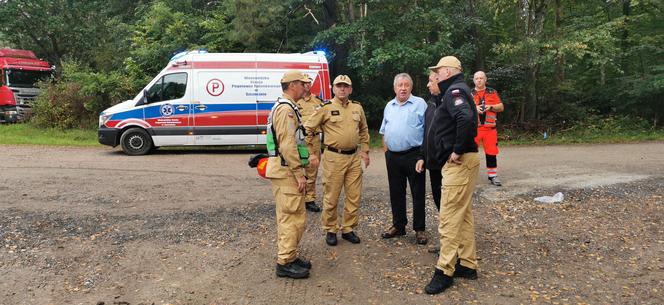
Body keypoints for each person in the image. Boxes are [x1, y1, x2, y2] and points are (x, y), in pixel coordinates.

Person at [423, 56, 480, 294]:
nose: (435, 76)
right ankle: (467, 264)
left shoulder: (454, 90)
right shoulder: (455, 90)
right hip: (464, 163)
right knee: (463, 215)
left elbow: (466, 118)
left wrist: (456, 150)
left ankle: (444, 270)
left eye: (438, 71)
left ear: (447, 71)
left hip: (460, 164)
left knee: (448, 217)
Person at [304, 75, 370, 247]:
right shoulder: (325, 108)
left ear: (350, 89)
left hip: (354, 158)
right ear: (333, 88)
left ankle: (348, 228)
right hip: (334, 157)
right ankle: (330, 229)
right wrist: (311, 152)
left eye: (345, 86)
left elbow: (363, 129)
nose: (342, 89)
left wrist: (365, 150)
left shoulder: (357, 108)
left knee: (354, 196)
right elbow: (308, 129)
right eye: (339, 86)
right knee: (331, 196)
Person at [265, 70, 312, 279]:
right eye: (302, 84)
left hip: (286, 170)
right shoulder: (286, 110)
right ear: (292, 85)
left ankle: (291, 255)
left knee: (295, 216)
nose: (305, 87)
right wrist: (299, 173)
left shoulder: (287, 107)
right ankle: (284, 262)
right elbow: (287, 145)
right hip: (287, 172)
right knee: (290, 217)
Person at [379, 73, 428, 245]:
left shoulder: (420, 104)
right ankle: (398, 226)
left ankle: (419, 229)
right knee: (396, 192)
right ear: (394, 88)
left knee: (418, 193)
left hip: (414, 155)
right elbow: (383, 131)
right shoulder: (389, 106)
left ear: (411, 87)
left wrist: (423, 155)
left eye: (406, 85)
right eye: (400, 85)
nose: (403, 88)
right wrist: (387, 153)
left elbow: (428, 132)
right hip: (393, 156)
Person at [295, 78, 325, 212]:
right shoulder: (295, 101)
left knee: (312, 169)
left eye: (309, 82)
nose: (306, 85)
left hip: (314, 139)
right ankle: (297, 197)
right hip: (299, 140)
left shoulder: (318, 101)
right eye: (304, 83)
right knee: (297, 167)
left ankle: (310, 199)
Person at [416, 71, 444, 211]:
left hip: (447, 164)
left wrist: (457, 151)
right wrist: (422, 156)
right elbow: (426, 132)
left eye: (430, 81)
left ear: (440, 81)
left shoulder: (451, 101)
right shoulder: (432, 102)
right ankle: (447, 231)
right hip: (433, 164)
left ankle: (454, 232)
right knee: (439, 199)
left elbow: (466, 126)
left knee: (451, 203)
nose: (428, 84)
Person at [472, 71, 505, 186]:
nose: (479, 80)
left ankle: (492, 176)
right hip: (474, 129)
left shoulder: (492, 92)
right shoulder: (469, 93)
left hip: (490, 129)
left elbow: (501, 107)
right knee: (470, 153)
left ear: (485, 79)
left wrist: (490, 106)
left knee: (491, 153)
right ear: (474, 80)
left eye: (481, 78)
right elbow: (463, 109)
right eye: (477, 78)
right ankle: (469, 176)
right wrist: (474, 108)